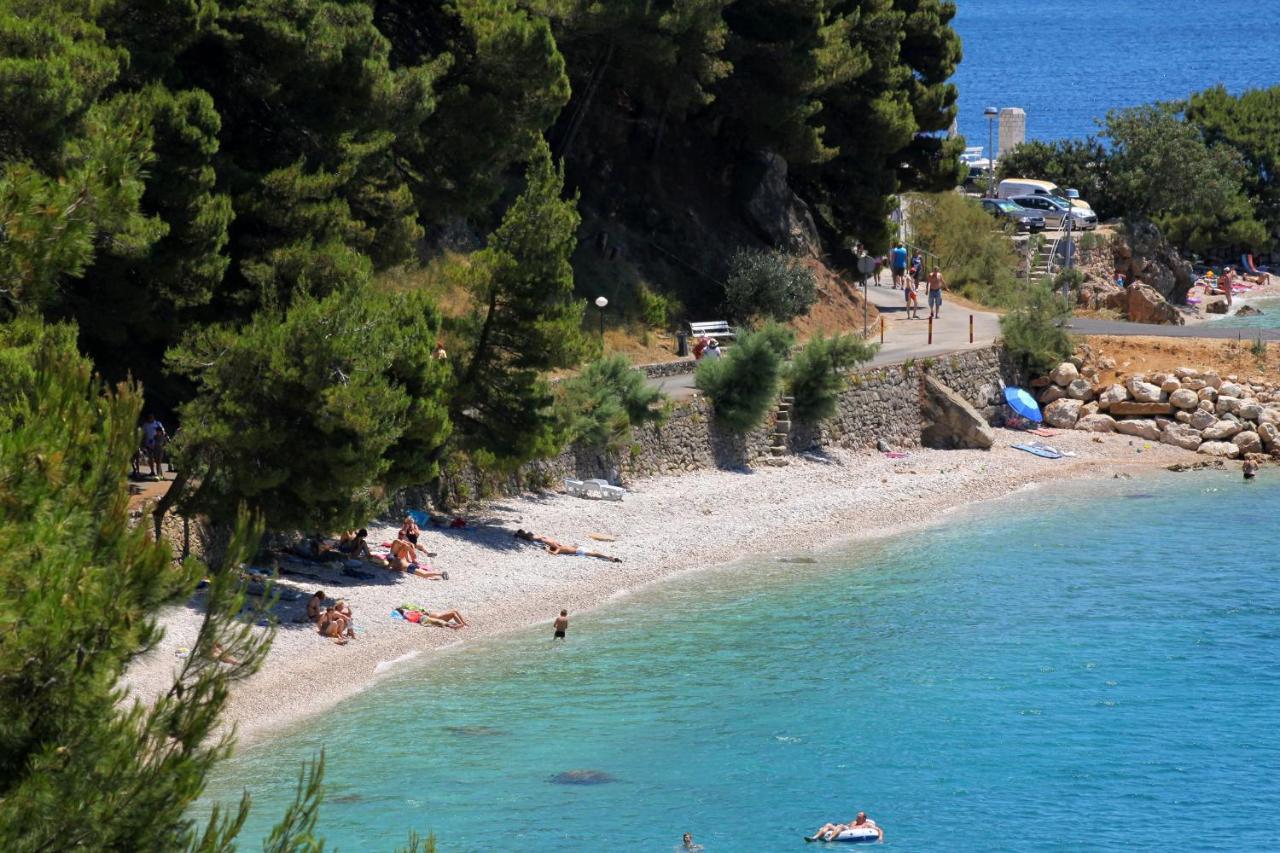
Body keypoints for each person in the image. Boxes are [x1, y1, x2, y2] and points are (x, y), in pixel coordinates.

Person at [514, 529, 622, 562]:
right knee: (595, 554)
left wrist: (548, 549)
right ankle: (610, 558)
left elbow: (553, 551)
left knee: (539, 537)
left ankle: (521, 534)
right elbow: (554, 553)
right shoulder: (558, 549)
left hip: (579, 548)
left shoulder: (557, 545)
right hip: (579, 551)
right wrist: (547, 550)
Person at [809, 812, 882, 843]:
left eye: (859, 817)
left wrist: (880, 838)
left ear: (864, 818)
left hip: (850, 832)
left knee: (840, 827)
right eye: (857, 816)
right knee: (828, 824)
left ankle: (830, 838)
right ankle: (814, 838)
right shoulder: (854, 822)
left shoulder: (867, 825)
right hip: (846, 829)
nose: (857, 818)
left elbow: (879, 830)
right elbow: (846, 826)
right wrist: (839, 826)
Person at [395, 606, 467, 629]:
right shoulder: (407, 614)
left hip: (433, 616)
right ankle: (460, 625)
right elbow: (412, 618)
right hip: (435, 617)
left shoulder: (410, 612)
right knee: (453, 613)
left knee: (454, 610)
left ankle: (464, 624)